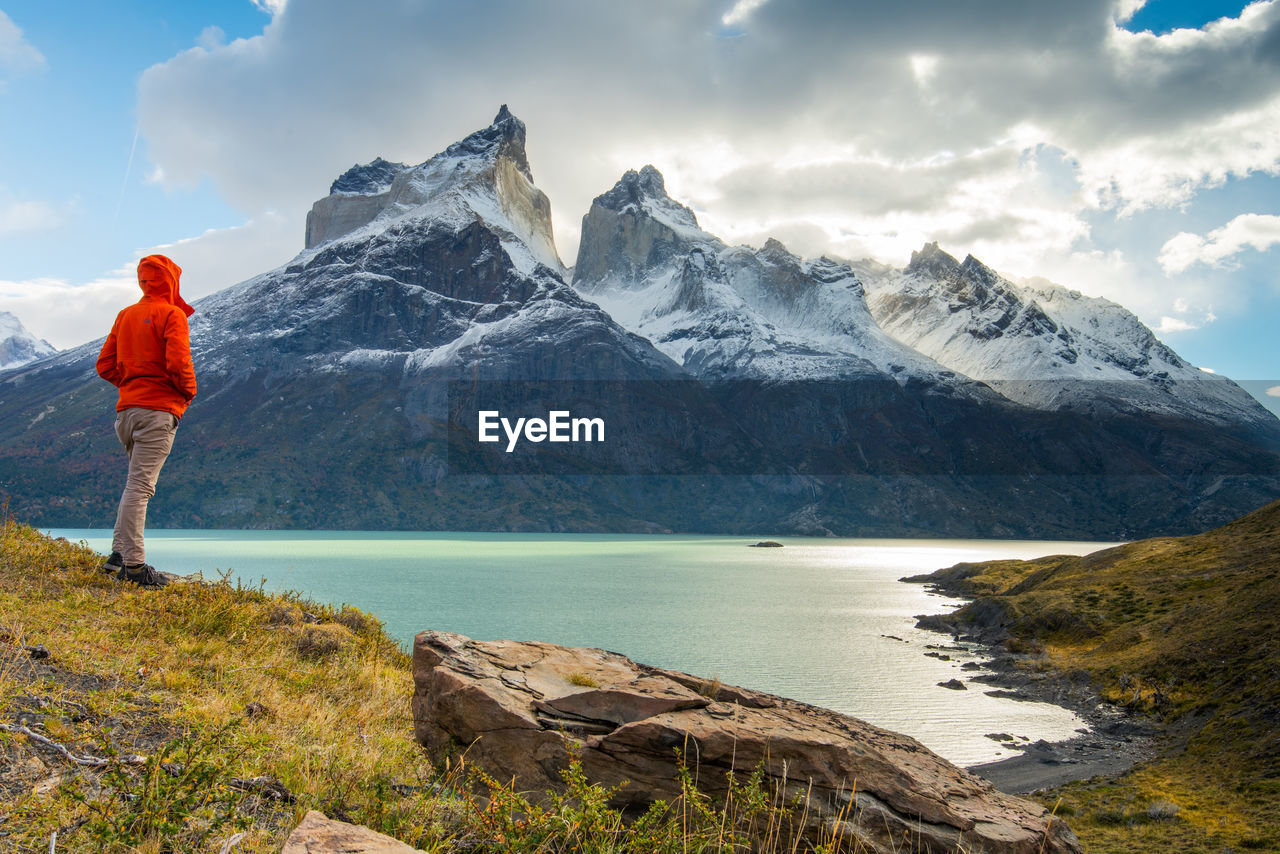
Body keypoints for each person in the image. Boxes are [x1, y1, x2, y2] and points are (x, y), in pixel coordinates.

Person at [95, 254, 197, 588]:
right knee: (140, 487)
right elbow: (179, 362)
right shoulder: (171, 315)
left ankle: (117, 557)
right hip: (157, 412)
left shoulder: (125, 315)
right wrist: (187, 393)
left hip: (126, 413)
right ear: (170, 280)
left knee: (133, 485)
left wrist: (131, 385)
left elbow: (104, 365)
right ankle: (136, 568)